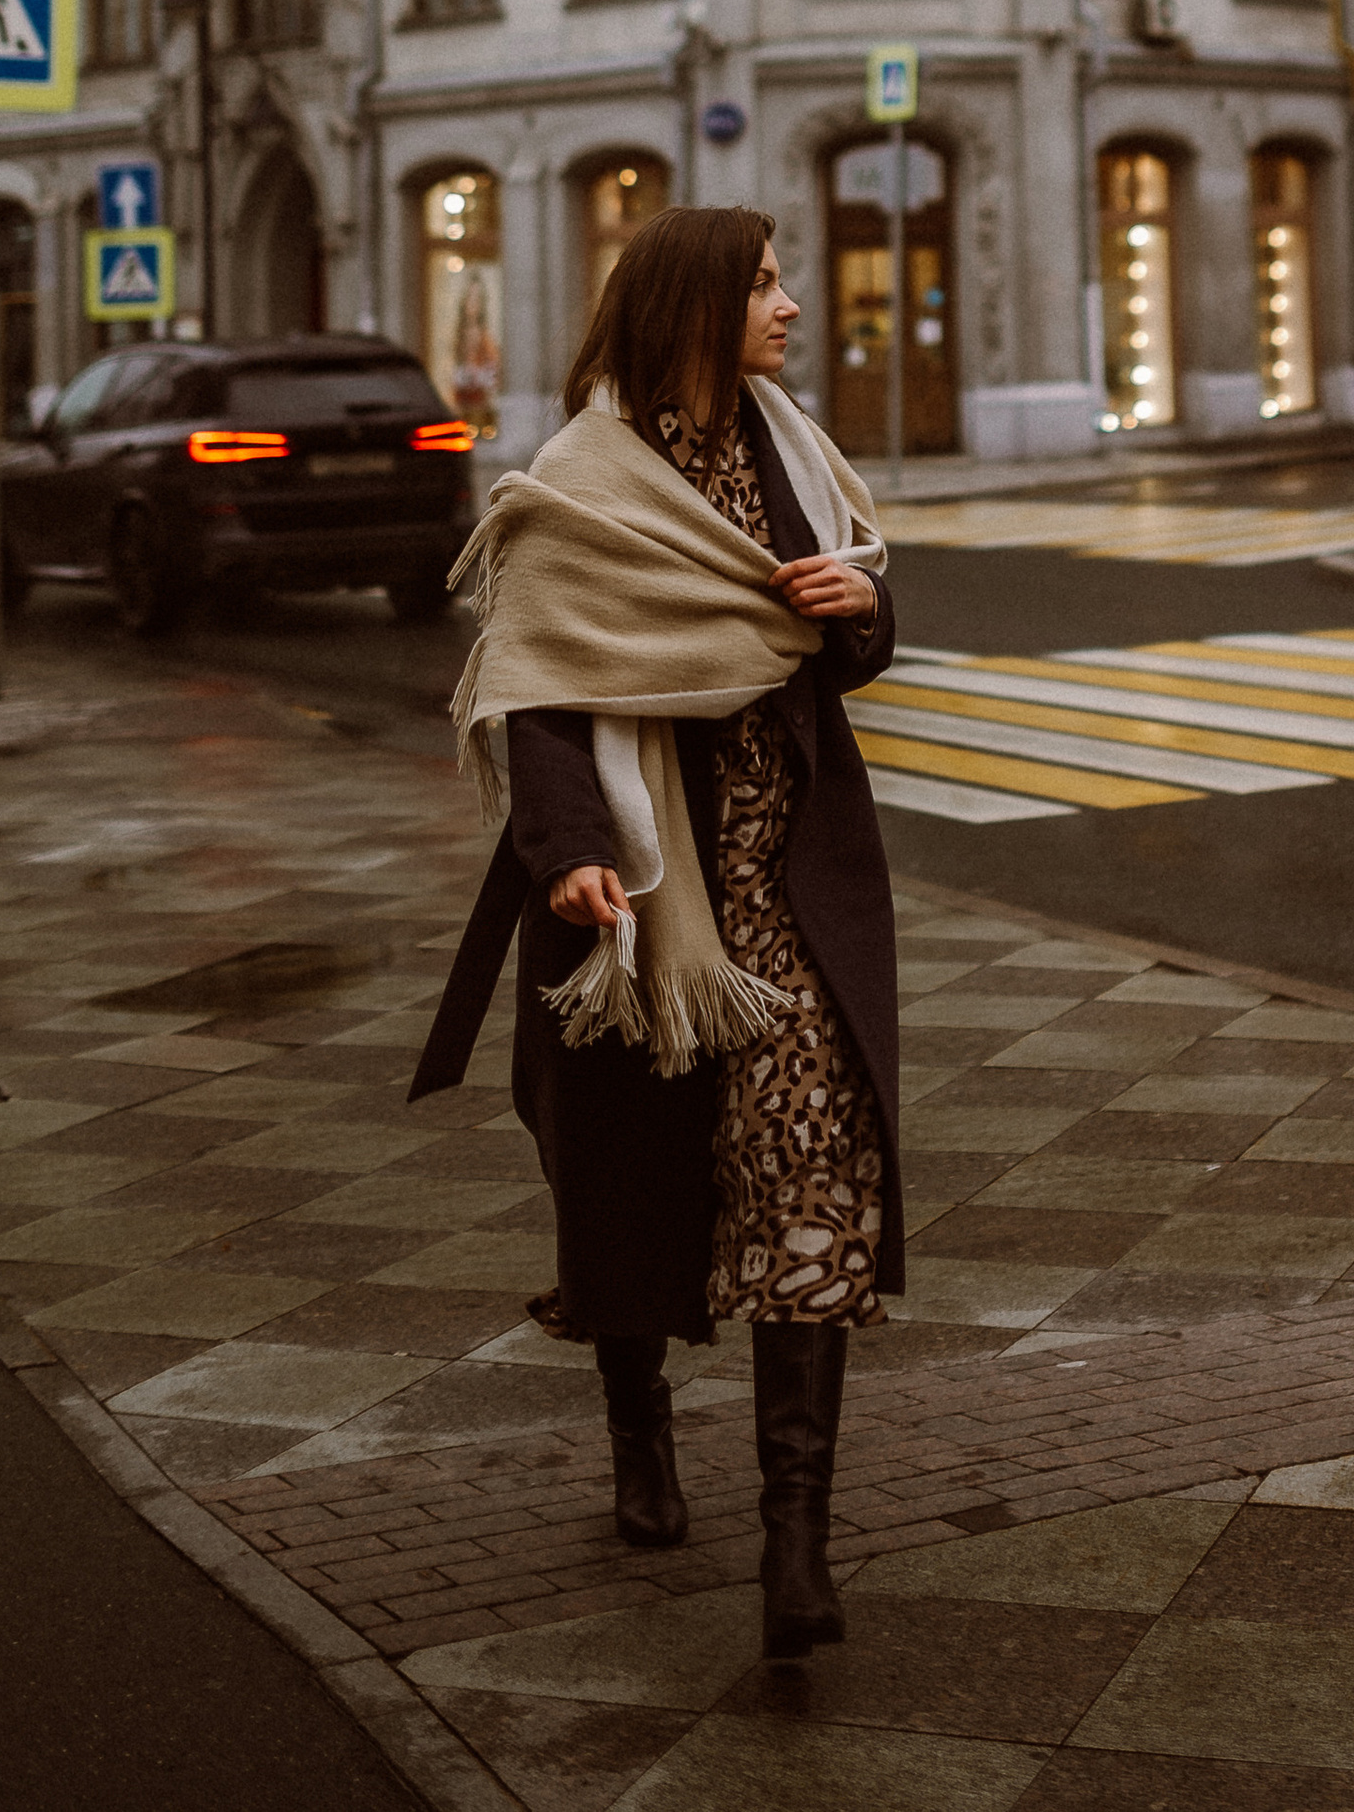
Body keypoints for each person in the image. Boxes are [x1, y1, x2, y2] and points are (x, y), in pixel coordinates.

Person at [410, 203, 900, 1662]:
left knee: (811, 1187)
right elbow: (537, 682)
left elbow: (836, 639)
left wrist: (858, 609)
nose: (790, 307)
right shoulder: (582, 478)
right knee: (628, 1196)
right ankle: (639, 1431)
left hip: (791, 896)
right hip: (640, 903)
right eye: (764, 286)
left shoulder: (791, 450)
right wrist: (568, 852)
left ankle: (797, 1545)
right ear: (695, 304)